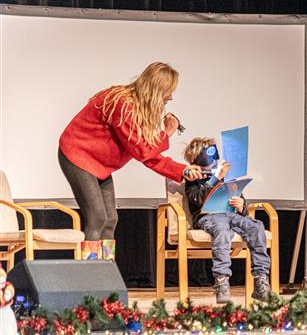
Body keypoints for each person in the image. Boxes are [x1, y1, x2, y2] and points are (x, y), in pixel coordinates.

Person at [59, 62, 204, 261]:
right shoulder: (122, 104)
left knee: (111, 219)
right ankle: (88, 275)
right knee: (97, 217)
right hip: (78, 156)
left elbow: (149, 155)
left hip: (99, 165)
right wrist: (168, 132)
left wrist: (183, 170)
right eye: (168, 92)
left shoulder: (137, 110)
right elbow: (143, 151)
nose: (170, 97)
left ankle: (106, 272)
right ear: (156, 89)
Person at [183, 137, 271, 303]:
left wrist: (241, 205)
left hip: (231, 215)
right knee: (222, 231)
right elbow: (199, 200)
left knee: (256, 227)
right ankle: (222, 281)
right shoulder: (193, 181)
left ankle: (260, 280)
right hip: (209, 217)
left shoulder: (227, 178)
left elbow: (239, 200)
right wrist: (215, 178)